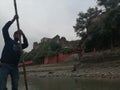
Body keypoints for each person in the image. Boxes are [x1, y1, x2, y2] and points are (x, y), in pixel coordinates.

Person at [0, 15, 28, 90]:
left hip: (15, 67)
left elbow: (26, 44)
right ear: (14, 35)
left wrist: (23, 34)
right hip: (4, 66)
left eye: (19, 35)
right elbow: (4, 29)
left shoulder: (20, 46)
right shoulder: (8, 40)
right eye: (17, 34)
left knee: (15, 86)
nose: (18, 36)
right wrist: (13, 20)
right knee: (2, 87)